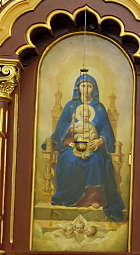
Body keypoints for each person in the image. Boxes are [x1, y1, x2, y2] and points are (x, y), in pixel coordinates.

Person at [44, 73, 125, 222]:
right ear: (78, 88)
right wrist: (73, 130)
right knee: (70, 159)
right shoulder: (70, 106)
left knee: (95, 161)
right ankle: (68, 196)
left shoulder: (99, 108)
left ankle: (93, 198)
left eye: (89, 86)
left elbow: (106, 130)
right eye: (83, 85)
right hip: (72, 143)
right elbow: (61, 127)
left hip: (94, 146)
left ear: (94, 89)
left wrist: (100, 140)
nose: (86, 89)